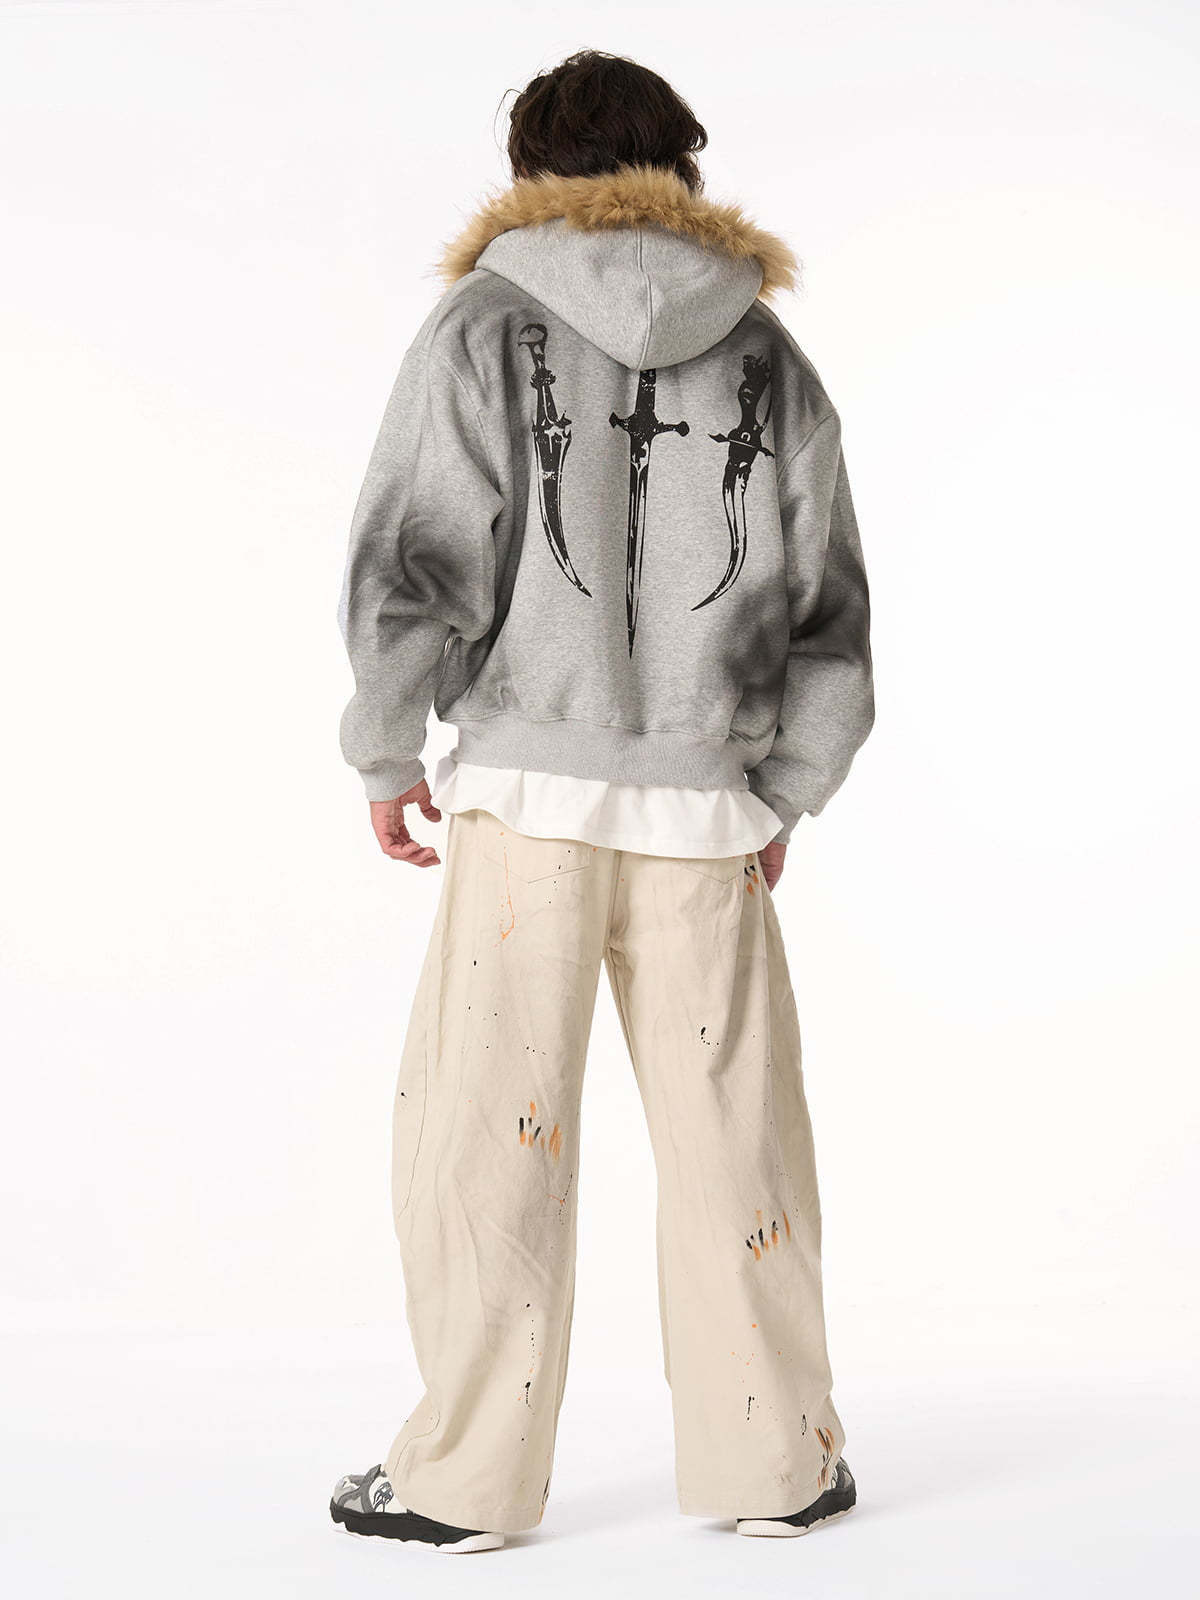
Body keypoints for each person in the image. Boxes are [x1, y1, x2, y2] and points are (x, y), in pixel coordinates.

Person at [331, 49, 874, 1553]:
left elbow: (413, 563)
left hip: (525, 804)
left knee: (485, 1141)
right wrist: (784, 790)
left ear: (530, 171)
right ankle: (778, 1466)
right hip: (704, 816)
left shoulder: (480, 328)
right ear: (680, 165)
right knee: (736, 1137)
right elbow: (829, 612)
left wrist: (387, 748)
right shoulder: (765, 355)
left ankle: (463, 1483)